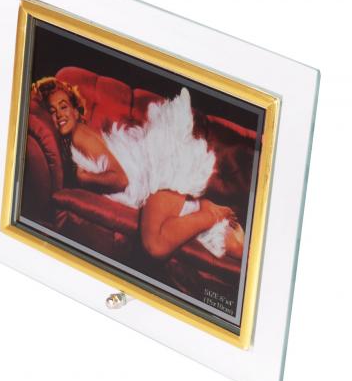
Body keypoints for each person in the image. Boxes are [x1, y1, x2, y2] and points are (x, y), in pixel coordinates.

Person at [31, 77, 244, 261]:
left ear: (76, 111)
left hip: (154, 174)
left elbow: (119, 179)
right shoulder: (73, 141)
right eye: (51, 111)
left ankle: (209, 214)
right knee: (232, 246)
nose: (59, 115)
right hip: (150, 182)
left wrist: (84, 180)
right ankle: (205, 210)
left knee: (155, 245)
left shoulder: (79, 135)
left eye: (63, 107)